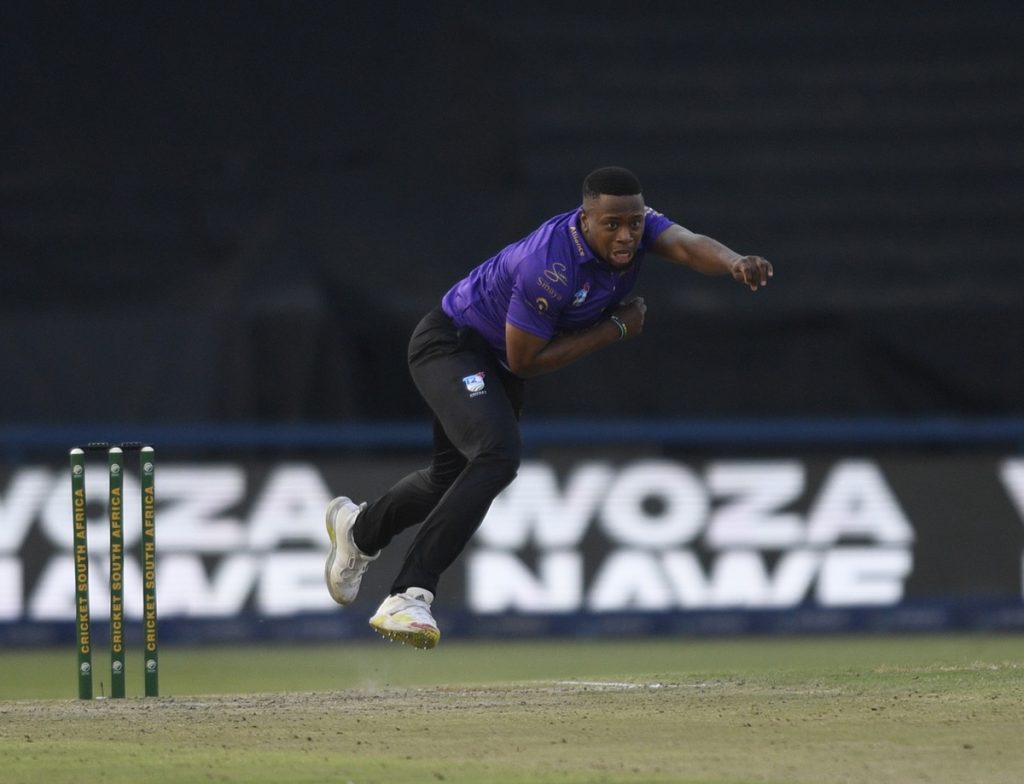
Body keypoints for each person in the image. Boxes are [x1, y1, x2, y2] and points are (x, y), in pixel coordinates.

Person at [324, 166, 773, 649]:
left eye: (635, 223)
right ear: (585, 220)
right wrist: (615, 329)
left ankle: (360, 530)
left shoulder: (636, 229)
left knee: (448, 479)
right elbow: (527, 360)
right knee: (497, 456)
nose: (626, 235)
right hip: (452, 346)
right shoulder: (550, 267)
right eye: (613, 224)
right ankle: (409, 593)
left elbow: (685, 244)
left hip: (495, 361)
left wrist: (733, 262)